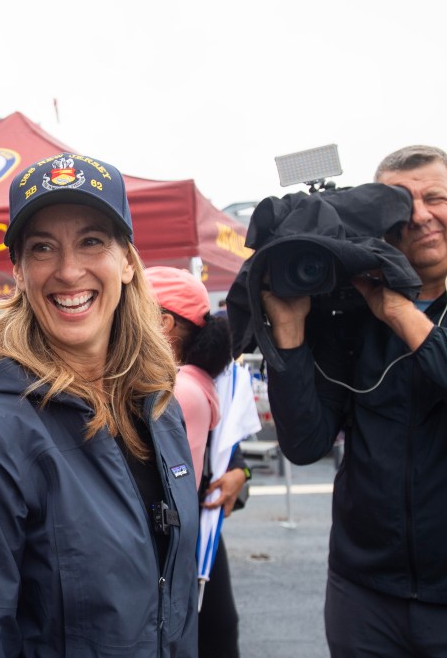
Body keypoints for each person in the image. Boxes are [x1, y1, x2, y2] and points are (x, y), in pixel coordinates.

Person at [0, 153, 200, 657]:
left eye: (92, 241)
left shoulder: (160, 409)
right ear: (20, 274)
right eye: (42, 248)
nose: (69, 271)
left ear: (128, 262)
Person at [262, 145, 447, 657]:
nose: (419, 216)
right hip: (364, 595)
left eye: (434, 198)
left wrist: (402, 315)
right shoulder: (352, 315)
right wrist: (288, 331)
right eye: (399, 203)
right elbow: (305, 445)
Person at [147, 265, 248, 658]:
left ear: (163, 323)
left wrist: (245, 471)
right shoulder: (187, 380)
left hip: (178, 549)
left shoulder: (178, 388)